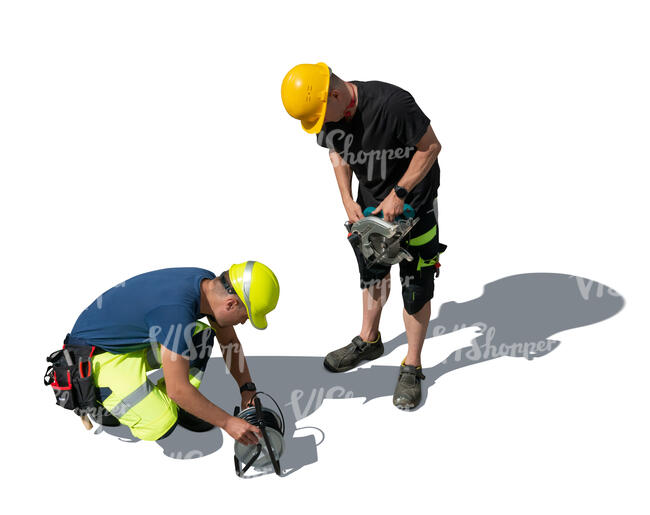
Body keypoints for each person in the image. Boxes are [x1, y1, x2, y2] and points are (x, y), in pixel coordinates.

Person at [281, 63, 445, 410]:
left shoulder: (393, 104)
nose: (323, 125)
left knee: (415, 288)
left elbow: (430, 147)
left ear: (336, 94)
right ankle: (369, 340)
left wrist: (399, 193)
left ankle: (412, 366)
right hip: (370, 209)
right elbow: (336, 152)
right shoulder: (329, 115)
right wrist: (346, 196)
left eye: (323, 116)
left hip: (414, 207)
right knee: (373, 275)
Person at [65, 262, 279, 443]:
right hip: (93, 359)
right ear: (231, 304)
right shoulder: (176, 312)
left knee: (200, 337)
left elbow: (229, 341)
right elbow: (178, 389)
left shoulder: (206, 283)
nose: (243, 322)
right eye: (245, 316)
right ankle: (101, 405)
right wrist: (227, 422)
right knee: (163, 422)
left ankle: (186, 406)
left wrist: (247, 389)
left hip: (125, 338)